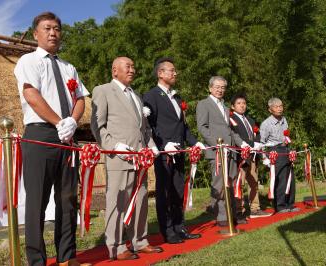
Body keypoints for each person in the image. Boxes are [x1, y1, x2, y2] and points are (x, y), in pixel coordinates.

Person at [14, 12, 90, 266]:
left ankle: (67, 257)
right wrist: (59, 121)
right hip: (41, 134)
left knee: (68, 199)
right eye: (47, 28)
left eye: (57, 28)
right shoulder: (29, 61)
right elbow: (31, 94)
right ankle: (36, 261)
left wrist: (71, 122)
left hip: (68, 135)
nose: (53, 33)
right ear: (36, 33)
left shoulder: (69, 67)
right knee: (37, 201)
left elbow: (80, 98)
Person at [90, 56, 163, 260]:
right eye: (127, 66)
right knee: (117, 202)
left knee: (140, 201)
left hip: (140, 158)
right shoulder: (103, 90)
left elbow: (144, 129)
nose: (132, 69)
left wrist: (151, 146)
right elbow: (98, 126)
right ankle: (116, 246)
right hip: (119, 158)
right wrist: (114, 146)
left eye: (133, 66)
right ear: (115, 70)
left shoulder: (136, 95)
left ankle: (140, 241)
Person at [143, 57, 203, 244]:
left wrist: (194, 142)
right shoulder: (151, 96)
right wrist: (163, 145)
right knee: (164, 193)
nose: (175, 73)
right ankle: (167, 231)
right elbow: (149, 125)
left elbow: (182, 126)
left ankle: (180, 227)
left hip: (180, 151)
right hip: (163, 153)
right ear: (160, 73)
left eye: (175, 70)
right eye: (171, 70)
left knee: (178, 191)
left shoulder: (177, 97)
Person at [196, 76, 248, 227]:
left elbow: (230, 131)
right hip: (217, 151)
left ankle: (232, 215)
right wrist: (217, 144)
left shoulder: (226, 108)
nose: (220, 90)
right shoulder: (204, 104)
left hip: (231, 151)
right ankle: (221, 216)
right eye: (217, 87)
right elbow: (202, 127)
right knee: (219, 184)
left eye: (223, 87)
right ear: (210, 88)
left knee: (230, 183)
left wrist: (243, 144)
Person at [230, 93, 272, 218]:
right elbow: (237, 137)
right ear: (232, 106)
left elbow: (257, 133)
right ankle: (239, 210)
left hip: (253, 155)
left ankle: (255, 209)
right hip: (240, 156)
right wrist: (252, 144)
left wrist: (258, 143)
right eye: (239, 103)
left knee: (253, 182)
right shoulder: (231, 119)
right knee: (240, 183)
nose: (242, 106)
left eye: (244, 103)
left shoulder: (250, 119)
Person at [260, 97, 299, 213]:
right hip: (275, 151)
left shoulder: (284, 119)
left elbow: (286, 136)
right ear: (270, 109)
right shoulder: (266, 124)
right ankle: (280, 205)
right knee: (280, 179)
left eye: (281, 106)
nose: (280, 109)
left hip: (286, 149)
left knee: (290, 178)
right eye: (276, 107)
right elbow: (261, 142)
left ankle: (290, 203)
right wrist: (264, 158)